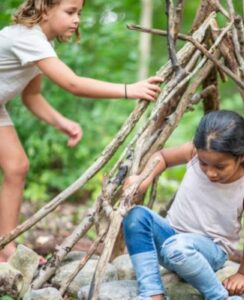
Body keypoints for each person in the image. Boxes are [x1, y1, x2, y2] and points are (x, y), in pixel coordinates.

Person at [0, 0, 163, 263]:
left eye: (79, 13)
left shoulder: (41, 43)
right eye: (70, 12)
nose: (77, 19)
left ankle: (4, 246)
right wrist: (128, 89)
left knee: (16, 166)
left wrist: (62, 122)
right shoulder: (27, 38)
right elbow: (73, 83)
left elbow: (32, 96)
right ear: (45, 9)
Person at [123, 110, 244, 300]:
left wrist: (243, 274)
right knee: (135, 217)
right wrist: (144, 179)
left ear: (241, 157)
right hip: (170, 238)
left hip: (209, 251)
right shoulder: (194, 152)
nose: (210, 173)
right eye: (204, 164)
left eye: (220, 167)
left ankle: (218, 296)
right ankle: (152, 293)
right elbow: (162, 157)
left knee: (177, 247)